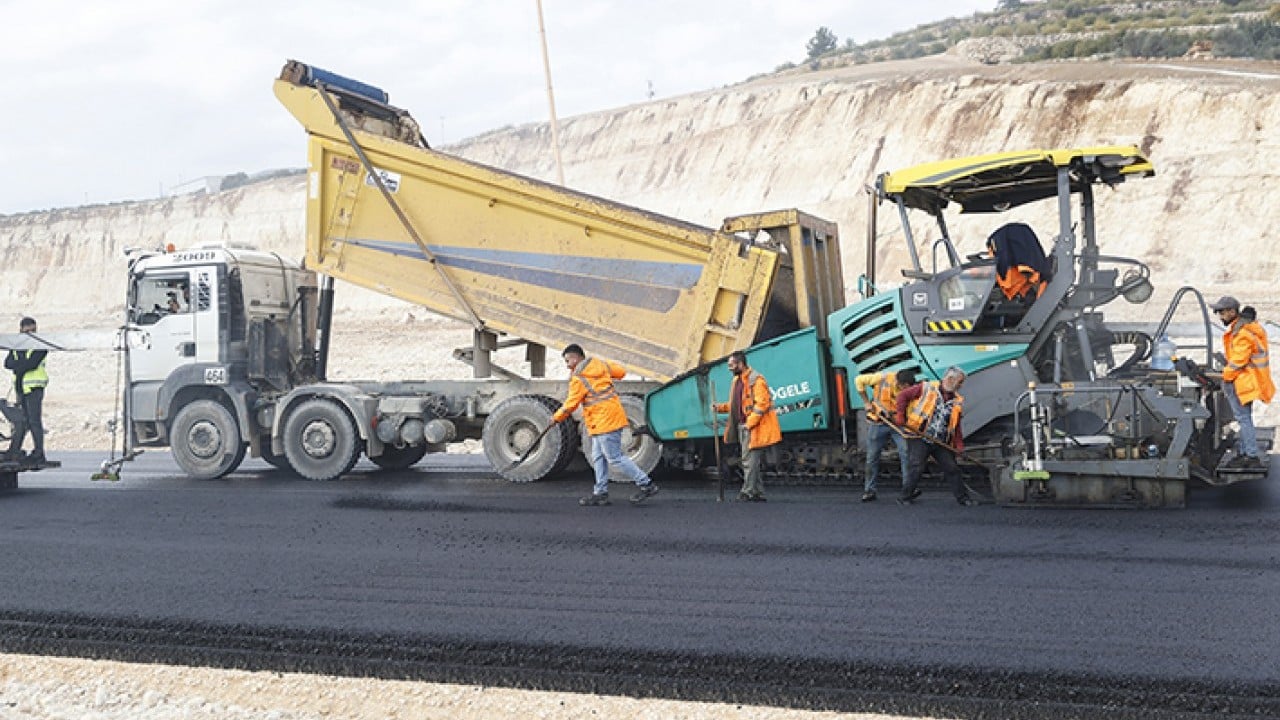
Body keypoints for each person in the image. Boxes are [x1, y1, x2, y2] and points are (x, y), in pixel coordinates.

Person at [552, 344, 659, 506]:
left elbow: (570, 404)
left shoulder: (578, 378)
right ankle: (600, 492)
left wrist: (555, 418)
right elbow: (621, 372)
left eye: (567, 361)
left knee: (614, 458)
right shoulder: (600, 365)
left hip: (604, 422)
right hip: (607, 419)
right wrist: (604, 365)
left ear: (575, 358)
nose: (567, 365)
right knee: (598, 457)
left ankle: (646, 484)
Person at [895, 366, 977, 507]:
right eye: (960, 382)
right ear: (950, 379)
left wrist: (959, 445)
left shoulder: (957, 400)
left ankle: (963, 498)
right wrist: (900, 415)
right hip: (918, 436)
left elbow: (955, 426)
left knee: (952, 468)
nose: (961, 386)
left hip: (940, 440)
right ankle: (905, 497)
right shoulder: (926, 388)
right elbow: (903, 396)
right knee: (917, 466)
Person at [1211, 296, 1273, 469]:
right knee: (1244, 418)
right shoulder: (1247, 328)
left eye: (1222, 313)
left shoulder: (1242, 333)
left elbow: (1239, 360)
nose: (1220, 317)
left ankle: (1250, 455)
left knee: (1243, 418)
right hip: (1247, 380)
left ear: (1232, 312)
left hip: (1242, 381)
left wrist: (1225, 375)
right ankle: (1246, 452)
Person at [712, 351, 781, 502]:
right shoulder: (737, 381)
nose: (729, 368)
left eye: (731, 365)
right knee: (750, 461)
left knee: (749, 461)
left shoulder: (756, 381)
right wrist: (721, 408)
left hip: (754, 427)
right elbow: (736, 404)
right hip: (745, 426)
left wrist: (749, 424)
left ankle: (748, 492)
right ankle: (758, 492)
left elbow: (762, 404)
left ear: (740, 364)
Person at [854, 368, 916, 502]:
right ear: (899, 382)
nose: (906, 390)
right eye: (904, 387)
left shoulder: (911, 390)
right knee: (872, 457)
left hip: (898, 424)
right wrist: (866, 402)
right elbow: (858, 381)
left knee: (906, 454)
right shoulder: (881, 378)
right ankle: (869, 491)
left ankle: (908, 490)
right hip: (878, 422)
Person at [4, 317, 48, 468]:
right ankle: (15, 449)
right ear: (21, 329)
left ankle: (39, 453)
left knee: (34, 421)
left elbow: (32, 363)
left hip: (34, 388)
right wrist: (20, 366)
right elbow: (8, 363)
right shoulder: (16, 346)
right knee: (22, 421)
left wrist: (19, 367)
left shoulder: (40, 345)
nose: (31, 334)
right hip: (21, 388)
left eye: (33, 330)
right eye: (28, 330)